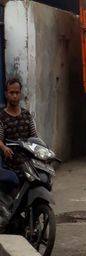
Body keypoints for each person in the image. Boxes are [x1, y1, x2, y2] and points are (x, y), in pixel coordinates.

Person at [0, 78, 34, 228]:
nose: (14, 96)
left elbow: (34, 137)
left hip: (27, 162)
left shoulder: (26, 115)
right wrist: (4, 148)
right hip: (10, 163)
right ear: (6, 94)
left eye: (17, 93)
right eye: (11, 92)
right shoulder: (2, 117)